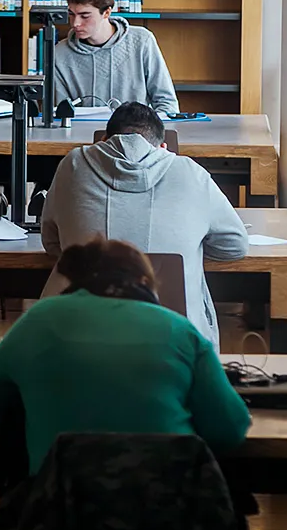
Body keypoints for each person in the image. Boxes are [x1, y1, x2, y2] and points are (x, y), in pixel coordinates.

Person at [0, 239, 249, 475]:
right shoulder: (180, 330)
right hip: (167, 526)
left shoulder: (36, 322)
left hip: (59, 526)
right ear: (145, 282)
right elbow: (231, 428)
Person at [40, 102, 248, 348]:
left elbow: (51, 241)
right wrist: (190, 247)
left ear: (104, 140)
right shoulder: (191, 171)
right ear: (163, 147)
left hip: (76, 335)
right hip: (176, 338)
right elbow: (236, 245)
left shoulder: (72, 165)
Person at [46, 0, 178, 113]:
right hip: (82, 134)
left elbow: (167, 104)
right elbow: (59, 115)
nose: (75, 23)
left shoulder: (142, 41)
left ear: (107, 12)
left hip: (137, 133)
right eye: (71, 14)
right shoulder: (59, 54)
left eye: (85, 16)